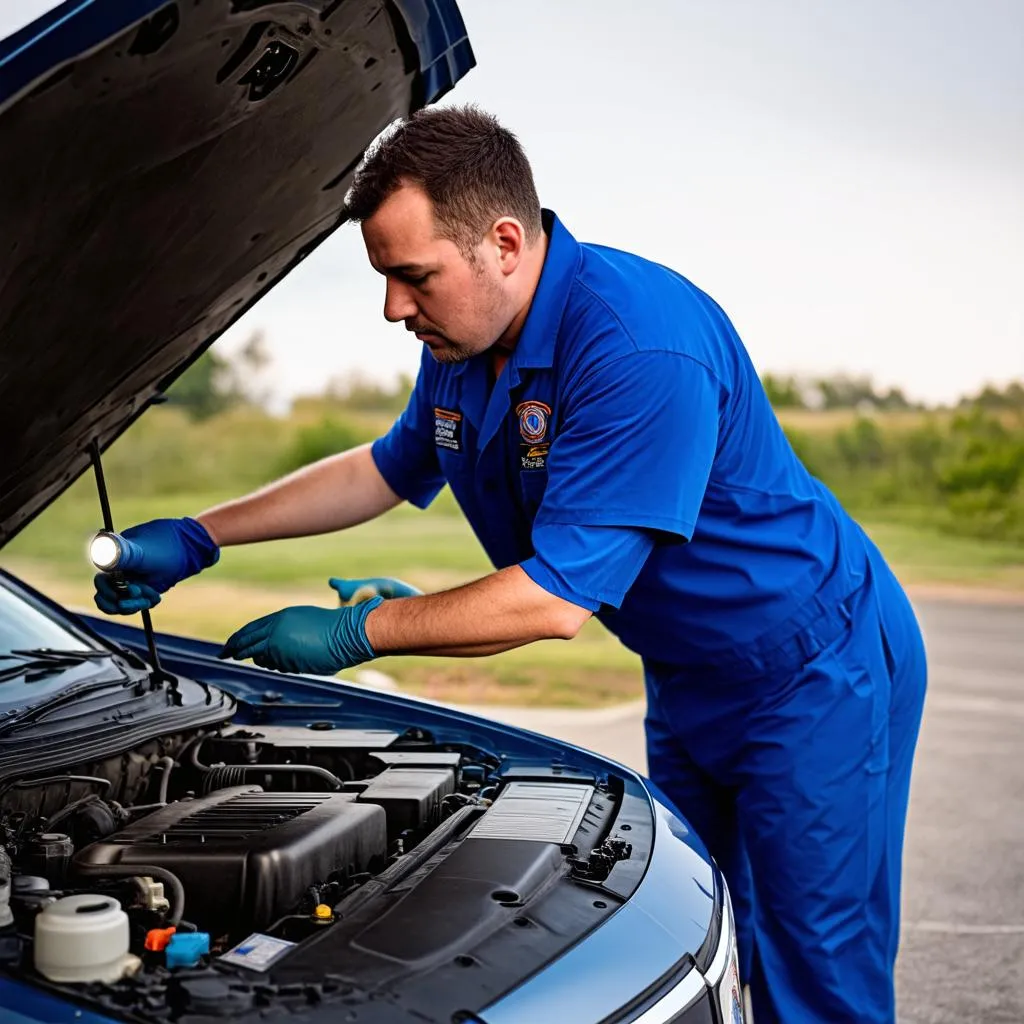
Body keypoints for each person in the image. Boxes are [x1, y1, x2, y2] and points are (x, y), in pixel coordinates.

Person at [94, 105, 927, 1024]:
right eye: (383, 279)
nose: (393, 309)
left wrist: (359, 631)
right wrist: (201, 535)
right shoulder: (465, 344)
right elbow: (382, 468)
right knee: (710, 934)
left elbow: (552, 603)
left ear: (502, 242)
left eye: (414, 278)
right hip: (688, 672)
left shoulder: (635, 344)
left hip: (813, 663)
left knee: (815, 962)